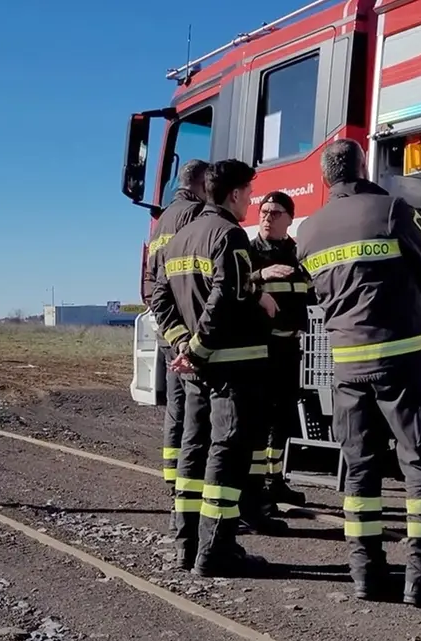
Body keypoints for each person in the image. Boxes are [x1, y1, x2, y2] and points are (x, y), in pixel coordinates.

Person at [295, 138, 421, 608]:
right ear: (362, 165)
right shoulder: (392, 210)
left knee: (360, 468)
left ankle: (366, 571)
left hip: (346, 365)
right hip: (400, 360)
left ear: (327, 179)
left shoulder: (307, 231)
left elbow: (319, 292)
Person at [149, 158, 277, 577]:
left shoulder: (179, 238)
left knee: (195, 448)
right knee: (228, 452)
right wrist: (200, 346)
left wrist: (182, 344)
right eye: (249, 193)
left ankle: (187, 544)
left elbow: (159, 300)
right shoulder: (230, 235)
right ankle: (217, 551)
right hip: (232, 368)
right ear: (236, 193)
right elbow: (228, 296)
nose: (251, 201)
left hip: (195, 369)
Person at [143, 159, 210, 533]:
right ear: (202, 185)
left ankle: (172, 474)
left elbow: (157, 274)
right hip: (188, 323)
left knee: (177, 403)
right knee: (195, 410)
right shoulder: (196, 215)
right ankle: (187, 484)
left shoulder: (165, 217)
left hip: (165, 319)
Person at [247, 191, 311, 520]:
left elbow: (311, 290)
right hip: (262, 350)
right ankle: (257, 489)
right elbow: (230, 284)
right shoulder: (249, 252)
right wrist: (260, 276)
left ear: (289, 218)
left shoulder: (297, 254)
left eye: (275, 212)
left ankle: (275, 479)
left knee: (283, 418)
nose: (267, 216)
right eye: (263, 211)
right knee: (260, 420)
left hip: (290, 348)